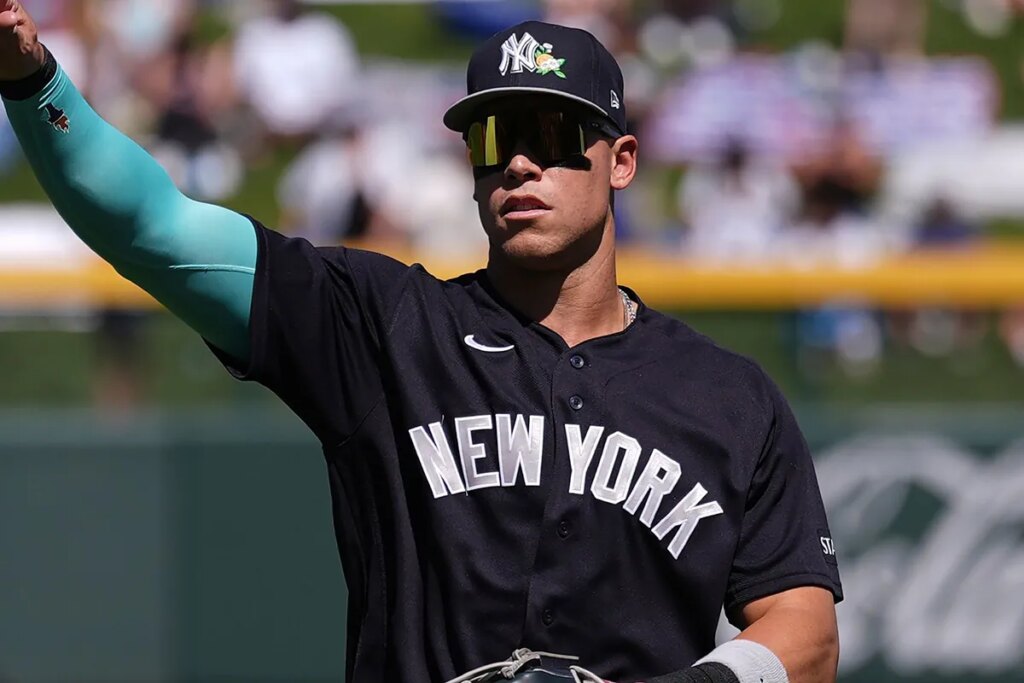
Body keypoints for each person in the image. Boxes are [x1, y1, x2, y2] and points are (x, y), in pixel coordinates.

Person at [0, 4, 842, 682]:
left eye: (551, 135)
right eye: (492, 139)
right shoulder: (384, 327)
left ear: (621, 160)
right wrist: (33, 79)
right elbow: (151, 227)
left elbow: (805, 630)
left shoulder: (728, 397)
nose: (519, 164)